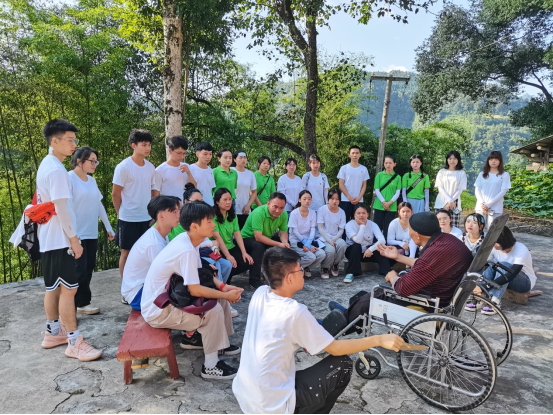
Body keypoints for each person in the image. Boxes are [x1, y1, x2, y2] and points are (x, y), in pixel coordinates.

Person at [232, 247, 405, 414]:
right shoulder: (294, 311)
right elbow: (335, 348)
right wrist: (378, 339)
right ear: (289, 278)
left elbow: (279, 331)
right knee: (342, 364)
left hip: (247, 394)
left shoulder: (261, 293)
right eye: (300, 269)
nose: (303, 273)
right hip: (271, 405)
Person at [141, 202, 243, 380]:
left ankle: (220, 344)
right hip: (159, 309)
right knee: (213, 310)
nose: (213, 225)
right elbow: (195, 290)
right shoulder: (186, 250)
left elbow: (202, 275)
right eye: (209, 221)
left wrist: (223, 287)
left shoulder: (189, 240)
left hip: (172, 296)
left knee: (220, 299)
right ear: (195, 226)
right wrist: (225, 294)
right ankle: (210, 366)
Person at [324, 212, 473, 332]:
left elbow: (402, 288)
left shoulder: (433, 253)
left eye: (410, 229)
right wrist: (398, 257)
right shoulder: (446, 241)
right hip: (444, 295)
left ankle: (338, 324)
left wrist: (393, 275)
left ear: (418, 235)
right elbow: (427, 265)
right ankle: (350, 313)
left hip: (430, 303)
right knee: (369, 296)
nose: (408, 232)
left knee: (379, 293)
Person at [37, 119, 102, 361]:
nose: (74, 144)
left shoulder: (48, 164)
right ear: (54, 141)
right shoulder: (57, 171)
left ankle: (53, 332)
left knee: (53, 287)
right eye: (70, 140)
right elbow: (61, 208)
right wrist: (74, 240)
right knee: (69, 289)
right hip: (61, 238)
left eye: (75, 139)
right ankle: (74, 342)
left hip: (50, 237)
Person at [69, 147, 114, 316]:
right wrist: (70, 233)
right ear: (79, 161)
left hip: (91, 231)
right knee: (77, 270)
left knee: (88, 268)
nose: (95, 164)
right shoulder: (69, 178)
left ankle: (83, 303)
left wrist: (108, 227)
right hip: (75, 234)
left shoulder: (92, 181)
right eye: (92, 161)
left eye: (96, 161)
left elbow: (98, 204)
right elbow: (64, 207)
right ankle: (69, 307)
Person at [112, 129, 159, 281]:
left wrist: (154, 214)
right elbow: (115, 194)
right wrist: (119, 213)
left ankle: (144, 284)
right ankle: (126, 287)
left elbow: (154, 192)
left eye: (149, 145)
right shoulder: (124, 167)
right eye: (144, 145)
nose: (147, 148)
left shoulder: (150, 167)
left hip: (146, 218)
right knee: (126, 252)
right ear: (134, 145)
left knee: (146, 252)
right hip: (128, 218)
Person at [121, 196, 181, 310]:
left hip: (145, 288)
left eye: (179, 210)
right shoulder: (154, 243)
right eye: (174, 212)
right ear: (161, 216)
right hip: (138, 294)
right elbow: (165, 273)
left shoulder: (161, 235)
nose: (179, 215)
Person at [168, 185, 233, 288]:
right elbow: (191, 245)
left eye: (201, 201)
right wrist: (211, 243)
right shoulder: (180, 224)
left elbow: (204, 238)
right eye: (196, 201)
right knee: (214, 264)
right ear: (186, 202)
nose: (213, 225)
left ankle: (219, 288)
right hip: (195, 256)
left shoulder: (199, 219)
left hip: (203, 252)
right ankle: (218, 290)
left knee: (226, 264)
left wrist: (214, 247)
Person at [469, 227, 537, 316]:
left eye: (497, 242)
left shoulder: (521, 249)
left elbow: (511, 274)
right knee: (491, 265)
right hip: (503, 279)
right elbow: (484, 265)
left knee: (504, 265)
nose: (495, 245)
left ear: (505, 240)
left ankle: (495, 301)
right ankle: (480, 297)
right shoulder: (494, 247)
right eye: (493, 242)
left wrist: (485, 286)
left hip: (524, 282)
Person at [241, 192, 290, 289]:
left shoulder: (284, 214)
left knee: (285, 246)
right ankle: (254, 280)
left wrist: (284, 243)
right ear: (268, 203)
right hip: (247, 238)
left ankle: (273, 275)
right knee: (259, 246)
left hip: (266, 237)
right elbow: (258, 237)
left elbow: (283, 233)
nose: (278, 210)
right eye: (275, 206)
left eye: (281, 208)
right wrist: (279, 244)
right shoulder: (259, 213)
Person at [212, 188, 254, 285]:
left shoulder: (232, 215)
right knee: (230, 263)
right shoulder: (212, 216)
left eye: (230, 199)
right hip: (216, 249)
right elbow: (217, 237)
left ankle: (226, 279)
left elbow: (237, 234)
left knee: (247, 262)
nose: (228, 202)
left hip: (230, 246)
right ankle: (223, 283)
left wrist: (244, 252)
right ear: (217, 201)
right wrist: (228, 256)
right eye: (225, 199)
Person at [343, 204, 391, 283]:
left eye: (364, 213)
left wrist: (371, 249)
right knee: (356, 245)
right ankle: (351, 273)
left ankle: (388, 272)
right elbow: (357, 240)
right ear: (354, 215)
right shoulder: (349, 225)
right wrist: (362, 226)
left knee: (380, 247)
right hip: (353, 253)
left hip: (368, 252)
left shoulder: (373, 224)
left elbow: (382, 240)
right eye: (358, 213)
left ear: (367, 214)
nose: (361, 215)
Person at [288, 191, 326, 278]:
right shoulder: (294, 213)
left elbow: (313, 230)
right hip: (296, 241)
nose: (307, 201)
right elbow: (295, 232)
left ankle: (305, 268)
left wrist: (308, 244)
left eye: (309, 199)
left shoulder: (312, 213)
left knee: (321, 254)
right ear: (299, 200)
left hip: (308, 241)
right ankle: (293, 268)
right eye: (304, 199)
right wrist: (307, 245)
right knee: (311, 257)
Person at [475, 151, 512, 231]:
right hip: (481, 207)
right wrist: (483, 204)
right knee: (478, 230)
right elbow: (477, 189)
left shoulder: (505, 175)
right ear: (488, 161)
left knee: (493, 232)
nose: (493, 161)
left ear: (500, 161)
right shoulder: (482, 174)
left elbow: (503, 191)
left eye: (496, 159)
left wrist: (489, 204)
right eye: (491, 159)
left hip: (496, 208)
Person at [317, 188, 347, 279]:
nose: (335, 201)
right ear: (328, 198)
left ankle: (335, 264)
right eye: (332, 198)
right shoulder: (322, 210)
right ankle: (325, 267)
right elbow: (320, 228)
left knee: (343, 245)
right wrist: (329, 241)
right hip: (323, 237)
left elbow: (341, 230)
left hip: (336, 237)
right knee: (330, 250)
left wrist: (333, 240)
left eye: (337, 199)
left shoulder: (342, 212)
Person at [155, 135, 196, 201]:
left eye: (184, 153)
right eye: (179, 153)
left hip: (185, 205)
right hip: (168, 206)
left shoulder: (187, 167)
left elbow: (194, 188)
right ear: (170, 151)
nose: (182, 156)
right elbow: (155, 195)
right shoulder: (159, 170)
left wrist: (188, 173)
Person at [434, 151, 468, 228]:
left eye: (455, 158)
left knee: (454, 227)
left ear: (458, 160)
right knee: (439, 227)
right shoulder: (441, 172)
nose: (452, 161)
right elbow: (440, 187)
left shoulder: (462, 173)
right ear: (447, 160)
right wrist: (449, 201)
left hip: (455, 204)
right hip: (441, 202)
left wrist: (451, 201)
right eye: (450, 158)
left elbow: (460, 189)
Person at [373, 156, 403, 239]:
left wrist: (389, 203)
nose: (388, 165)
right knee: (377, 226)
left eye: (390, 163)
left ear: (394, 164)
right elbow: (377, 190)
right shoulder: (379, 175)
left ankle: (387, 244)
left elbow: (397, 192)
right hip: (379, 205)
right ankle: (376, 244)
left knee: (389, 228)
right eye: (386, 163)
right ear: (384, 164)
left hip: (392, 206)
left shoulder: (398, 177)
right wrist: (384, 202)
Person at [338, 146, 370, 222]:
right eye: (353, 153)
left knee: (358, 222)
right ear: (349, 155)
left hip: (359, 201)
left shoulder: (364, 169)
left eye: (357, 153)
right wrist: (349, 197)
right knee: (343, 222)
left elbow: (364, 185)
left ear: (360, 155)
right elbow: (341, 184)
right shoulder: (344, 168)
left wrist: (359, 198)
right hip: (345, 200)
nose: (355, 155)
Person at [231, 150, 258, 229]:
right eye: (240, 157)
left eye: (245, 157)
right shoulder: (230, 171)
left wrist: (248, 205)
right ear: (234, 159)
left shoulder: (250, 174)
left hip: (244, 210)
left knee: (243, 233)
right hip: (230, 208)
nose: (243, 160)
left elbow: (254, 192)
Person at [188, 142, 216, 206]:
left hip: (210, 205)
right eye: (205, 154)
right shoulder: (190, 169)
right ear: (197, 154)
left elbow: (210, 189)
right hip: (196, 205)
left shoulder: (210, 170)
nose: (208, 157)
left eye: (210, 154)